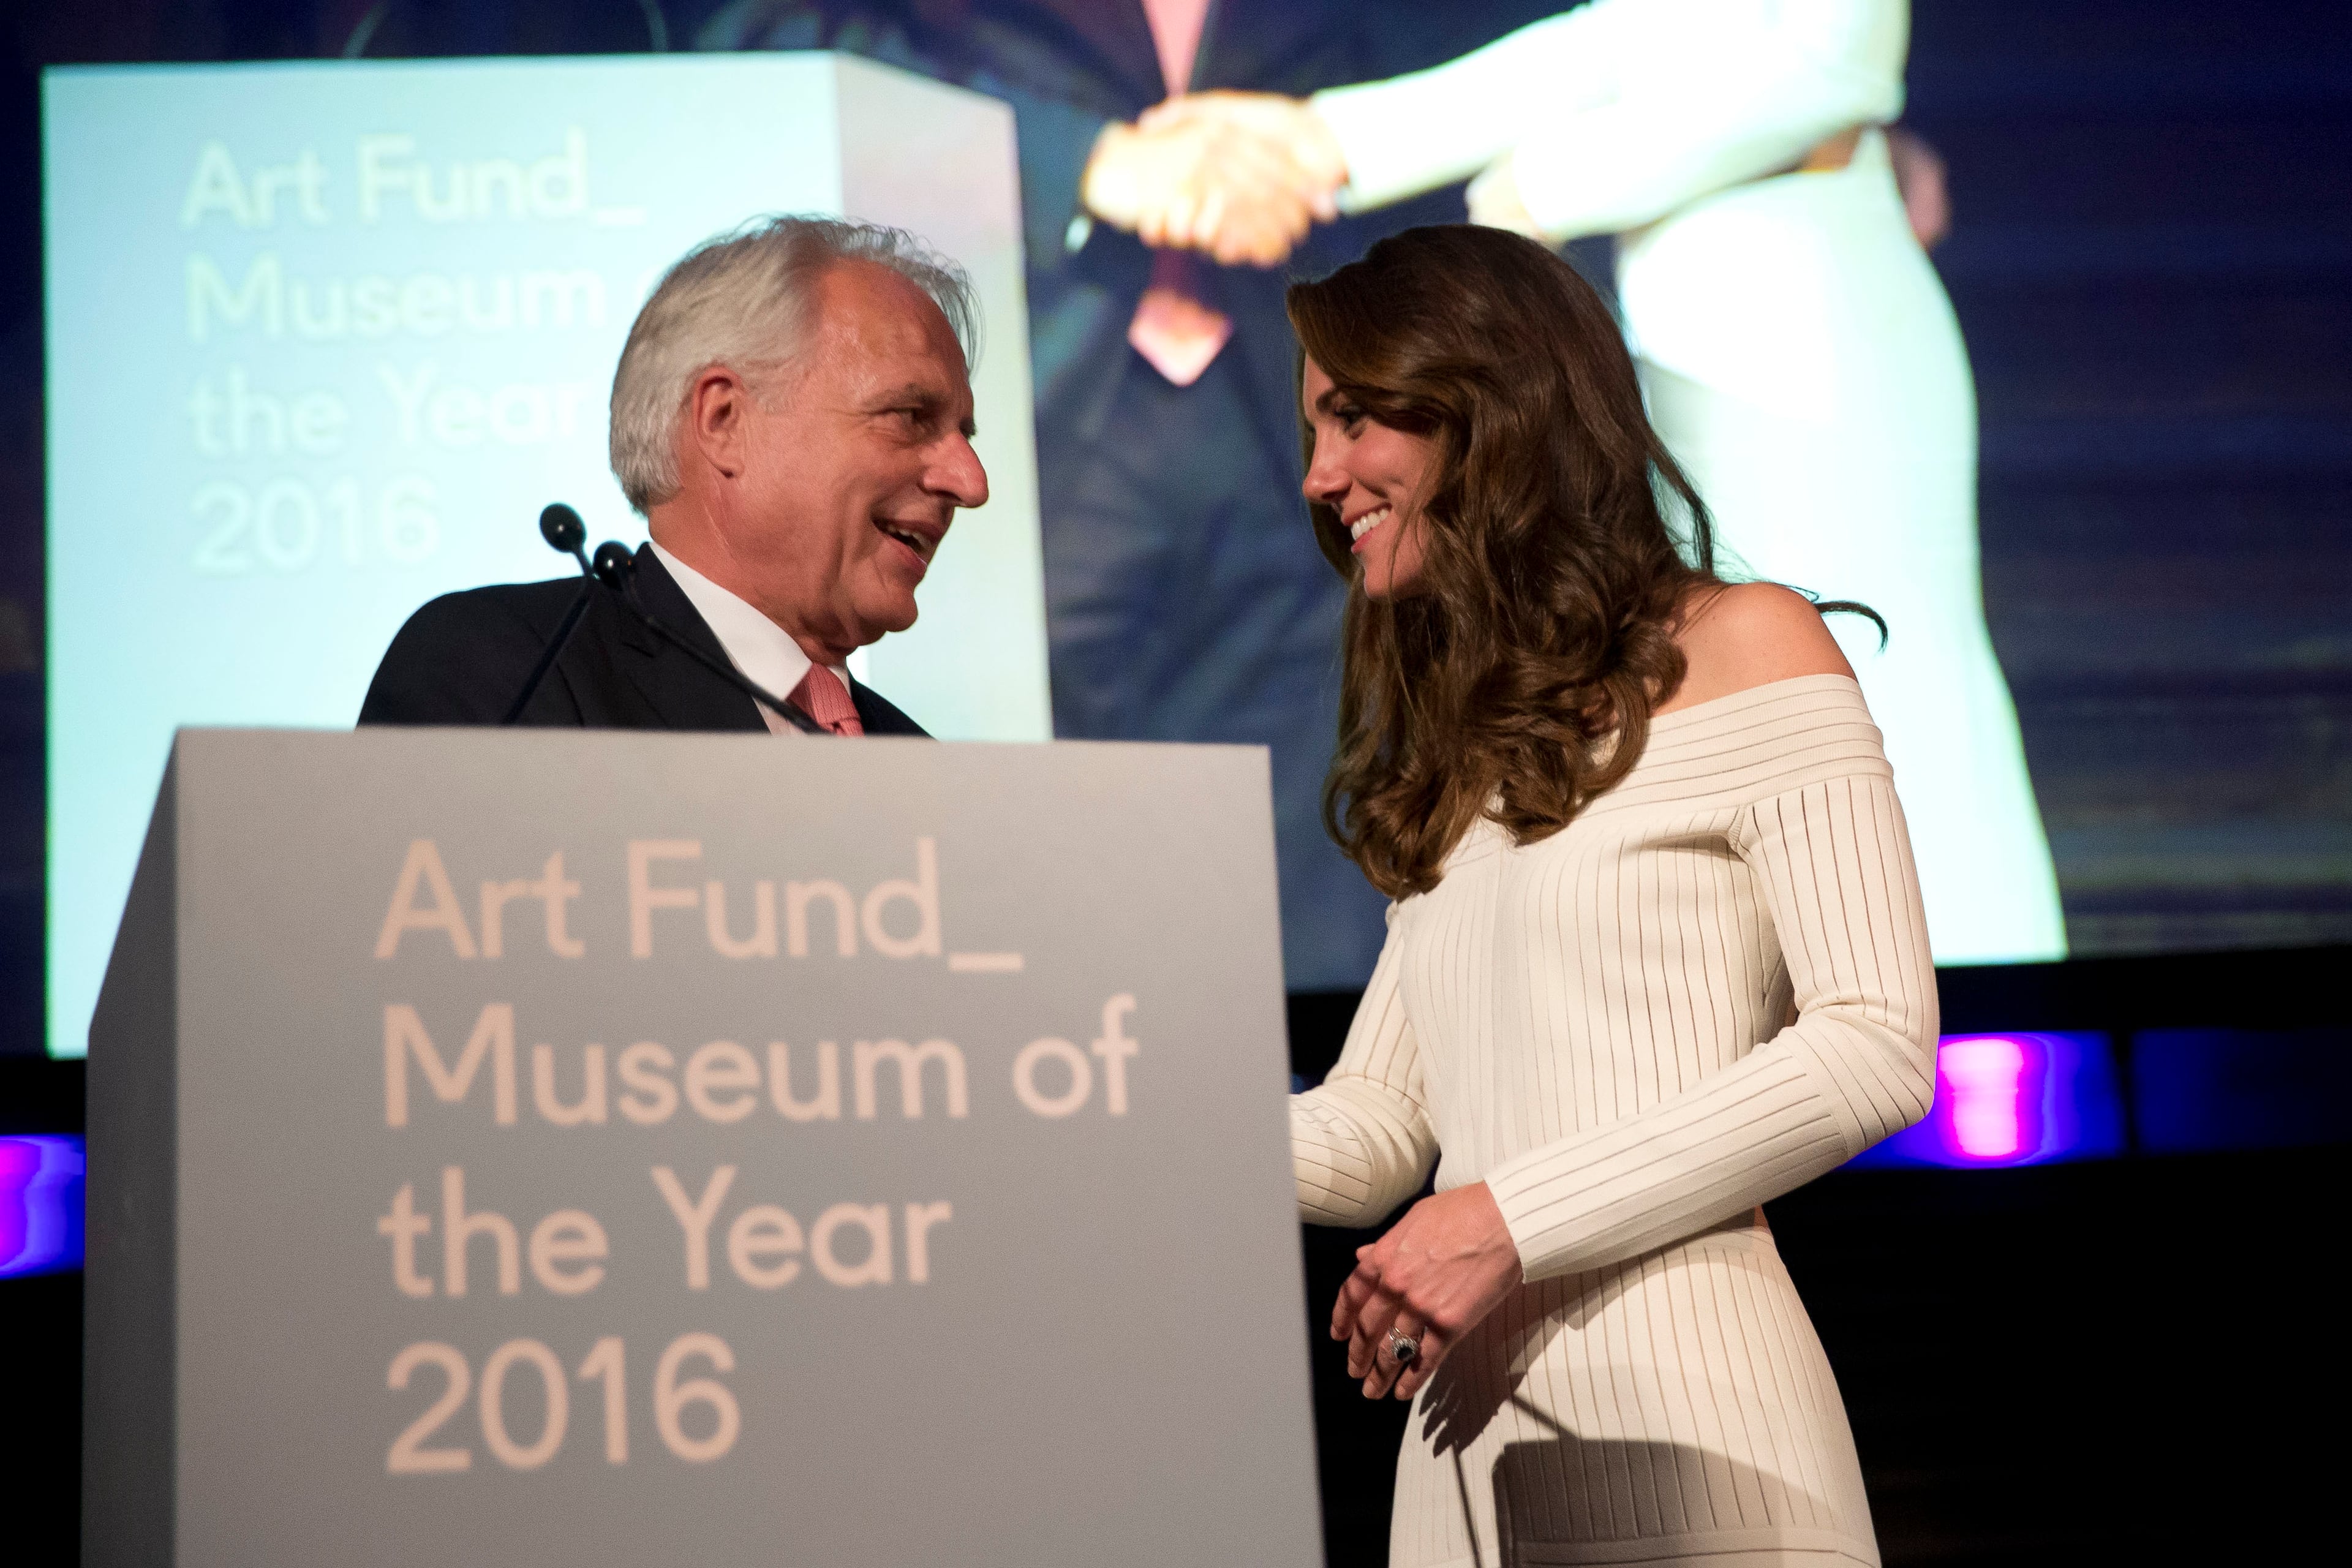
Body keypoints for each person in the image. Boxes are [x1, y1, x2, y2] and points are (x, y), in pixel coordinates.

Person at [1156, 0, 2067, 965]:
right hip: (1694, 331)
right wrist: (1332, 140)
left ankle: (1967, 1003)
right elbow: (1629, 38)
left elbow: (1836, 65)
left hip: (1814, 330)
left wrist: (1543, 187)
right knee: (1744, 705)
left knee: (1874, 696)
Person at [1285, 226, 1937, 1567]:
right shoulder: (1468, 752)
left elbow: (1875, 1039)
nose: (1319, 477)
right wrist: (1092, 1119)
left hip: (1702, 1439)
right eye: (1312, 430)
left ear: (1490, 399)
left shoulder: (1750, 642)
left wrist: (1505, 1221)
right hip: (1460, 1468)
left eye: (1352, 417)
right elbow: (1371, 1131)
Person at [690, 0, 1555, 988]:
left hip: (1308, 382)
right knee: (1011, 891)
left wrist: (1336, 151)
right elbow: (763, 36)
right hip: (1017, 385)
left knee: (1339, 848)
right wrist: (1083, 160)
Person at [360, 216, 987, 737]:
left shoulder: (919, 765)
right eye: (910, 416)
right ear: (724, 421)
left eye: (966, 435)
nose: (971, 481)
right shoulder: (508, 670)